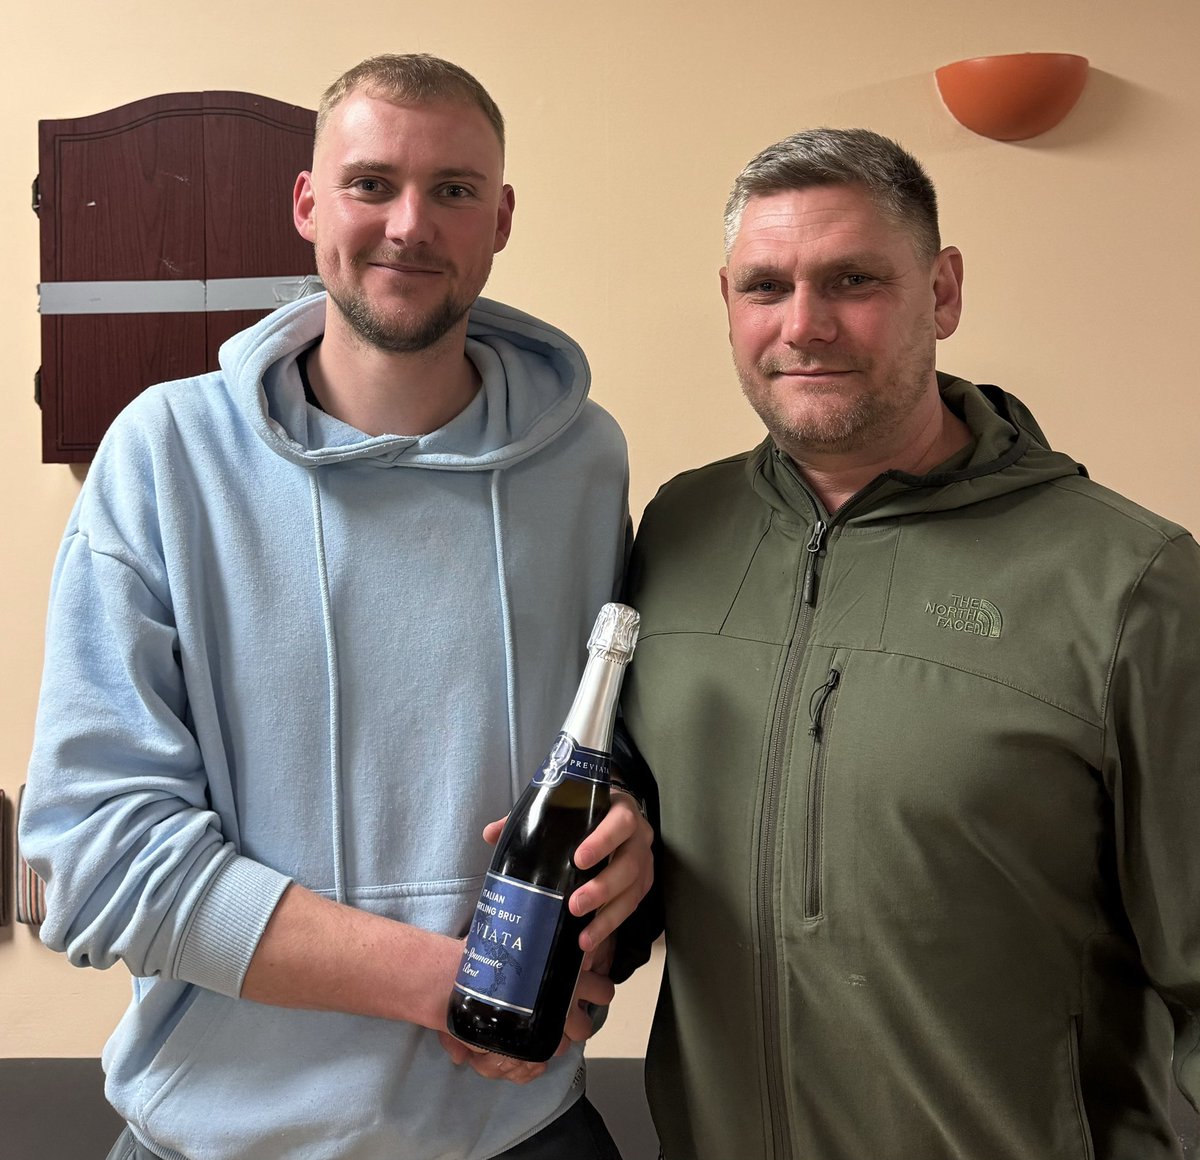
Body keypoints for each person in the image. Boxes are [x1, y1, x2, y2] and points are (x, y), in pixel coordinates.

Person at [21, 53, 652, 1160]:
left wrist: (628, 862)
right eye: (372, 184)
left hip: (518, 1126)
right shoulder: (165, 456)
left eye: (454, 189)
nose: (410, 224)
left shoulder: (585, 463)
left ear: (499, 217)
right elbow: (95, 859)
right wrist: (448, 984)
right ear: (309, 203)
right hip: (217, 1133)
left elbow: (610, 761)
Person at [620, 127, 1200, 1159]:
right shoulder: (678, 532)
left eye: (852, 279)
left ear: (942, 291)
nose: (805, 324)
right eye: (765, 287)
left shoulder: (1132, 583)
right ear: (729, 303)